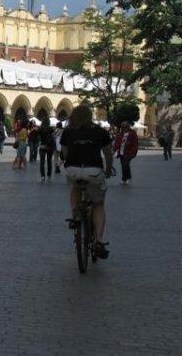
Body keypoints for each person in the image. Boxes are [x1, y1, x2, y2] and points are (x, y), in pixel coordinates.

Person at [61, 105, 113, 259]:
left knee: (75, 188)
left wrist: (69, 163)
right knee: (98, 204)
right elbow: (108, 153)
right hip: (94, 171)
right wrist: (108, 168)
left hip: (73, 170)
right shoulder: (100, 131)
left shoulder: (68, 131)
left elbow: (64, 152)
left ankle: (76, 215)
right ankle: (98, 240)